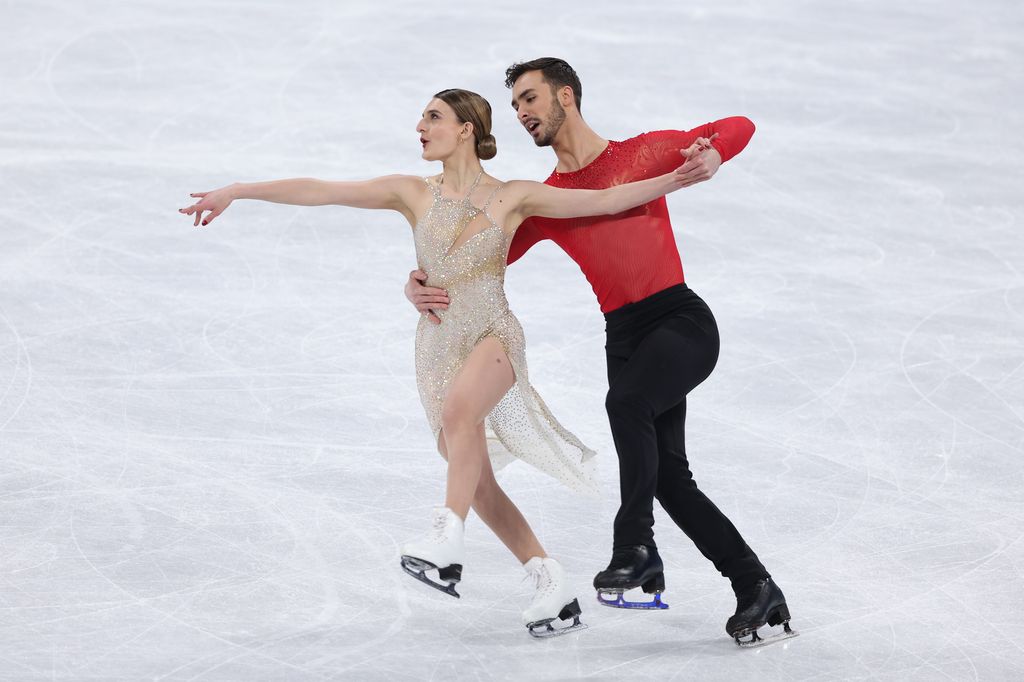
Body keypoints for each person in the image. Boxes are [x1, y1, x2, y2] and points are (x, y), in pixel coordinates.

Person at [179, 87, 703, 638]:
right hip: (437, 346)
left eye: (433, 117)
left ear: (466, 129)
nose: (420, 127)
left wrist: (675, 178)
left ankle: (445, 540)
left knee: (460, 416)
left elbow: (603, 202)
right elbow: (322, 190)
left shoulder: (516, 196)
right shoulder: (410, 192)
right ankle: (551, 583)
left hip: (494, 336)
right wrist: (238, 190)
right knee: (473, 476)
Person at [404, 60, 796, 647]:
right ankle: (755, 587)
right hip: (626, 337)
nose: (521, 113)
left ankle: (635, 545)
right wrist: (417, 280)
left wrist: (716, 154)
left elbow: (737, 125)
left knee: (627, 404)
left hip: (679, 320)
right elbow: (474, 257)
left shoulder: (640, 155)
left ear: (567, 95)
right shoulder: (547, 198)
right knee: (669, 478)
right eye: (514, 105)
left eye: (531, 98)